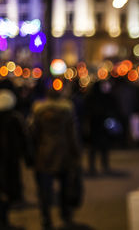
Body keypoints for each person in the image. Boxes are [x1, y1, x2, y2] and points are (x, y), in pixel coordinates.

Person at [30, 87, 82, 230]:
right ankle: (66, 216)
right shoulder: (67, 112)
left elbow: (34, 135)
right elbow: (72, 135)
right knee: (65, 187)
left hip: (44, 154)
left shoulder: (38, 112)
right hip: (64, 154)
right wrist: (76, 154)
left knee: (44, 191)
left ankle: (46, 219)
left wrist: (32, 155)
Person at [0, 89, 27, 229]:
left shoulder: (15, 119)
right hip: (11, 161)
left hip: (9, 160)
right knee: (8, 190)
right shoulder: (15, 118)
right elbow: (23, 140)